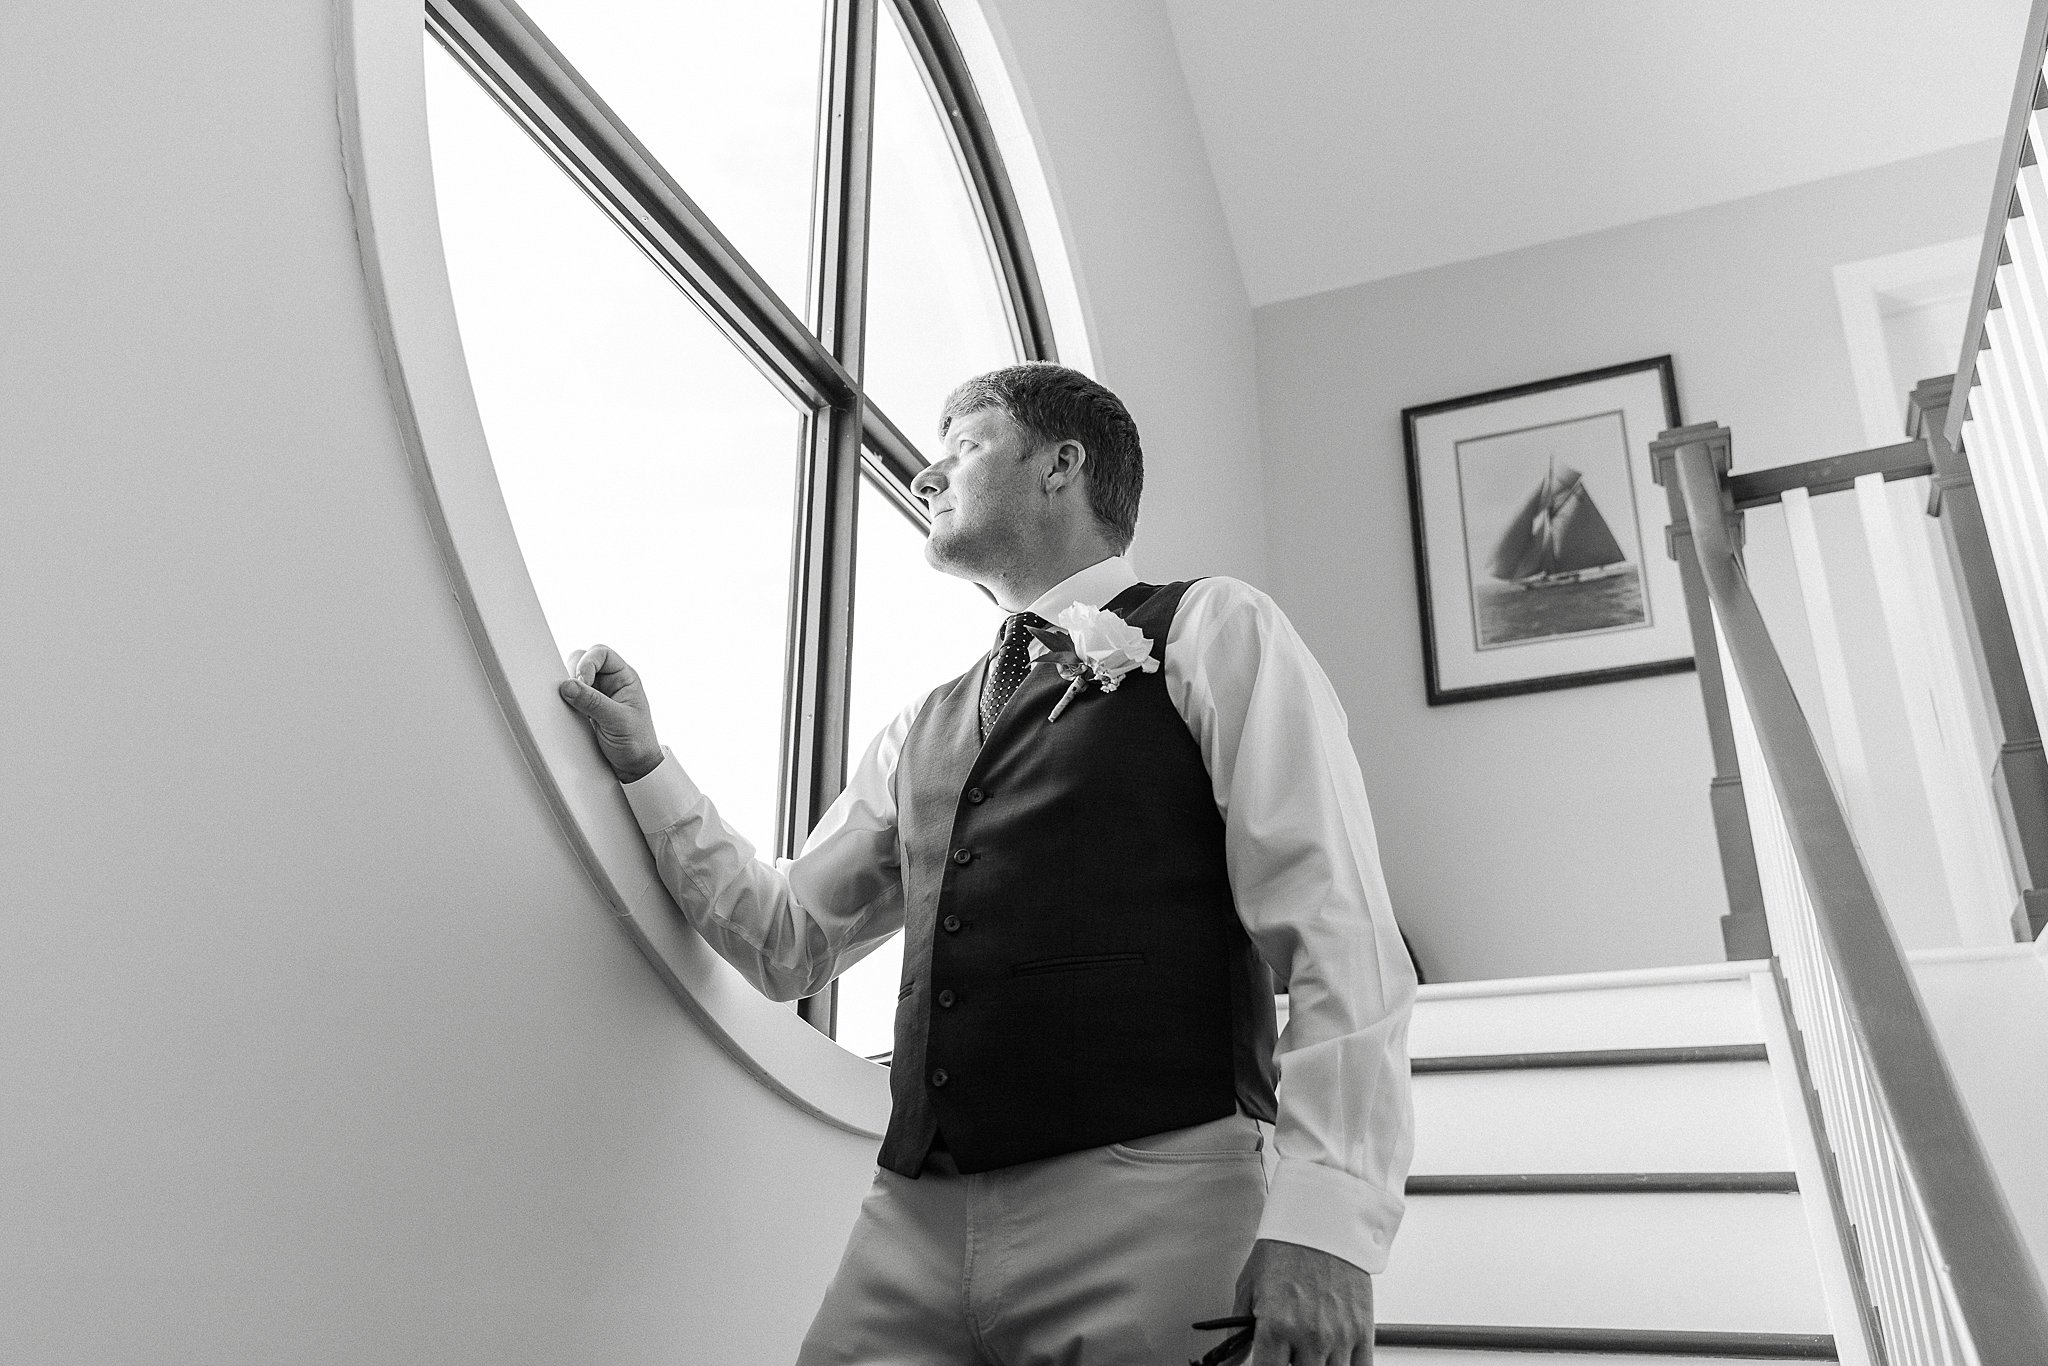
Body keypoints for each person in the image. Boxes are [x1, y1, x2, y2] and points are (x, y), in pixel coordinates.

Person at [559, 363, 1415, 1365]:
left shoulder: (1213, 626)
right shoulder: (917, 726)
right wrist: (645, 767)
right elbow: (786, 941)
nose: (925, 474)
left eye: (961, 443)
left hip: (1157, 1191)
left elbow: (1334, 922)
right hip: (910, 1215)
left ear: (1062, 464)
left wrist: (1324, 1221)